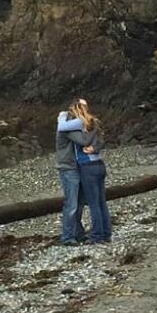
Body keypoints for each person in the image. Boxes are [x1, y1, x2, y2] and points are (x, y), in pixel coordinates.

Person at [70, 98, 111, 244]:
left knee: (93, 203)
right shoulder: (95, 122)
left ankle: (97, 236)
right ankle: (106, 233)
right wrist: (95, 148)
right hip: (99, 163)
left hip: (87, 166)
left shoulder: (77, 126)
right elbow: (101, 141)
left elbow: (78, 142)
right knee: (101, 202)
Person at [56, 105, 88, 245]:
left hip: (77, 167)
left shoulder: (68, 124)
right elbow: (84, 140)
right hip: (68, 169)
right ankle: (68, 236)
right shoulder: (66, 128)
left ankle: (78, 232)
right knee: (72, 204)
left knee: (79, 203)